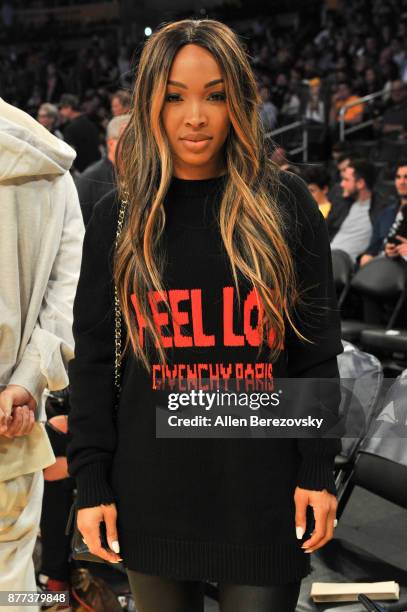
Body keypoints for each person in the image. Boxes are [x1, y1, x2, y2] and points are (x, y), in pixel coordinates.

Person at [67, 19, 342, 612]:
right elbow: (91, 362)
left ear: (238, 100)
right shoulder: (118, 218)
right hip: (151, 489)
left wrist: (317, 470)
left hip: (262, 490)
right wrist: (91, 482)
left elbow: (314, 349)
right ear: (149, 104)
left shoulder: (284, 204)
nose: (196, 116)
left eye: (215, 95)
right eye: (175, 95)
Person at [0, 97, 84, 611]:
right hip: (12, 413)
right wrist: (28, 380)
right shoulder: (49, 160)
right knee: (12, 577)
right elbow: (69, 291)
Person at [75, 114, 130, 225]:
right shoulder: (89, 180)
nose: (138, 145)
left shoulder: (146, 176)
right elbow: (79, 229)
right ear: (111, 143)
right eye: (131, 139)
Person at [330, 159, 386, 262]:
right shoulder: (343, 204)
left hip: (346, 266)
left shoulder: (381, 209)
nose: (342, 184)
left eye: (346, 180)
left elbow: (380, 242)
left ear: (360, 183)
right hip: (327, 257)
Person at [359, 162, 407, 266]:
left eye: (406, 177)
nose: (402, 182)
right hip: (382, 265)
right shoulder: (386, 212)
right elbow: (373, 246)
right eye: (398, 177)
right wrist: (368, 255)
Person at [58, 93, 101, 174]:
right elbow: (99, 148)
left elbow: (69, 156)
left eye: (62, 108)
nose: (60, 111)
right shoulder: (91, 124)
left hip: (80, 173)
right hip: (96, 170)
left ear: (69, 108)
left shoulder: (70, 128)